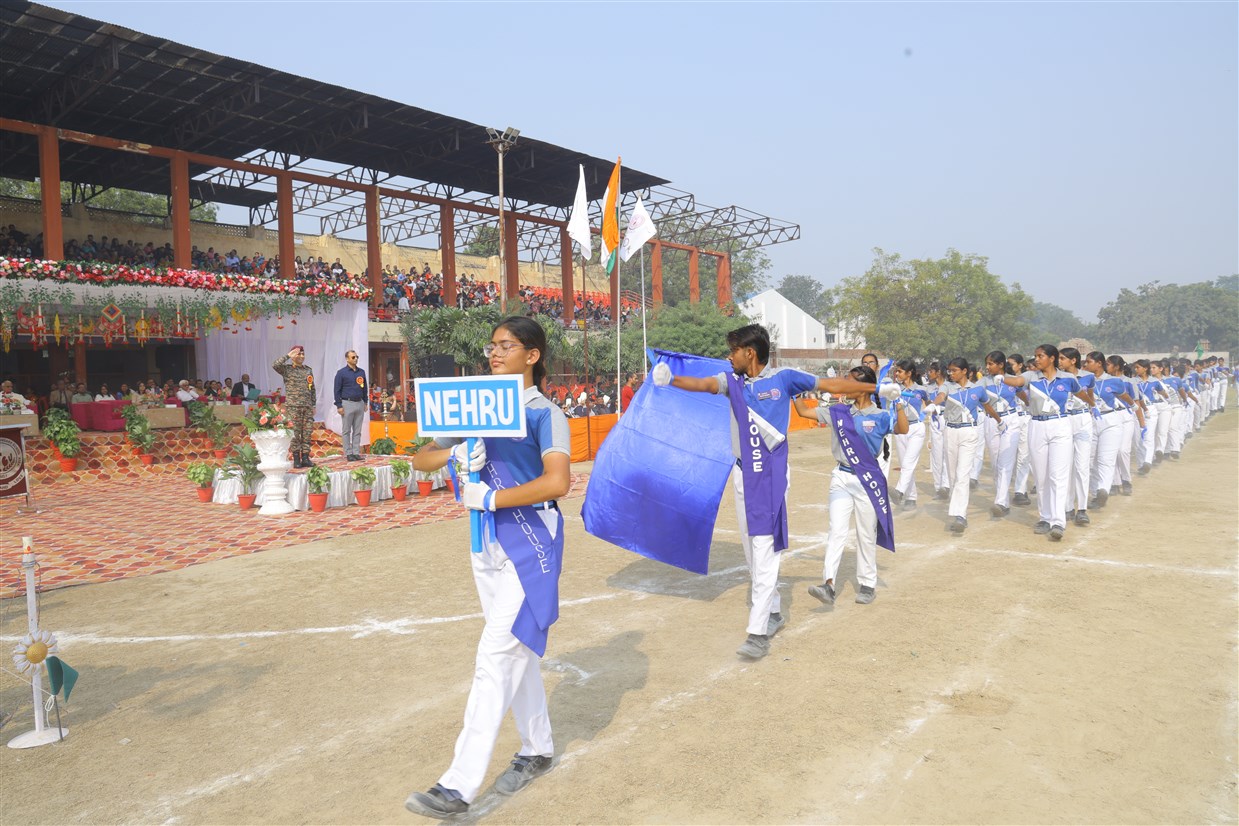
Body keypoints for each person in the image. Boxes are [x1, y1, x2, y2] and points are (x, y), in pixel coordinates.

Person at [404, 317, 571, 820]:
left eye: (506, 346)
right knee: (517, 650)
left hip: (530, 540)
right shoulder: (476, 406)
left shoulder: (544, 413)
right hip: (486, 542)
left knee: (495, 655)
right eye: (492, 346)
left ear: (532, 355)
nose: (495, 354)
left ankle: (457, 785)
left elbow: (558, 482)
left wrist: (493, 497)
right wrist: (453, 451)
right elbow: (419, 459)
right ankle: (537, 747)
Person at [650, 324, 882, 660]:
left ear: (750, 353)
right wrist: (671, 379)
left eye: (733, 351)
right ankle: (773, 611)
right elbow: (703, 385)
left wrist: (875, 387)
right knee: (751, 550)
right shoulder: (732, 382)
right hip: (743, 474)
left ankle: (757, 633)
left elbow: (830, 385)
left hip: (771, 475)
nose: (729, 357)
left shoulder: (784, 378)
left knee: (764, 548)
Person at [795, 364, 908, 607]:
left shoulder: (880, 416)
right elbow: (803, 411)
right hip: (841, 477)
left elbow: (903, 428)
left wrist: (898, 403)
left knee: (866, 533)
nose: (844, 385)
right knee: (836, 530)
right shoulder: (838, 411)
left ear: (864, 387)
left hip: (867, 481)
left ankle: (867, 583)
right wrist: (796, 388)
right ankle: (828, 584)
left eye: (850, 381)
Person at [1001, 344, 1093, 541]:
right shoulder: (1031, 376)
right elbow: (1016, 381)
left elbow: (1080, 393)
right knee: (1041, 476)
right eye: (1035, 356)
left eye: (1040, 356)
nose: (1036, 359)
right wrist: (1000, 376)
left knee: (1058, 475)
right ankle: (1045, 517)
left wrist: (1092, 404)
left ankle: (1058, 522)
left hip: (1060, 425)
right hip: (1037, 425)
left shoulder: (1068, 378)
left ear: (1052, 358)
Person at [931, 358, 1002, 533]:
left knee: (963, 473)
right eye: (949, 371)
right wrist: (934, 404)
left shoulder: (977, 389)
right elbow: (941, 396)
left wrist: (999, 421)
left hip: (969, 432)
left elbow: (987, 406)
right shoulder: (947, 386)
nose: (951, 374)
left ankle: (960, 515)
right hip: (950, 431)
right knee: (953, 474)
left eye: (954, 370)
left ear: (965, 371)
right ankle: (957, 509)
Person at [978, 351, 1022, 518]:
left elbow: (1023, 395)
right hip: (992, 421)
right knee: (996, 463)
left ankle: (1000, 502)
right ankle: (1003, 502)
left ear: (1001, 364)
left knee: (1005, 461)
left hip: (1011, 420)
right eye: (987, 364)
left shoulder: (1012, 380)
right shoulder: (984, 381)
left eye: (991, 364)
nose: (987, 367)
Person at [1057, 347, 1095, 524]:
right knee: (1065, 465)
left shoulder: (1088, 376)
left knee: (1081, 466)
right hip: (1064, 419)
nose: (1059, 362)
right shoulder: (1057, 377)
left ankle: (1082, 508)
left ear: (1073, 360)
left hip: (1082, 419)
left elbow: (1090, 396)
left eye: (1062, 358)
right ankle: (1067, 507)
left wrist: (1092, 408)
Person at [889, 359, 931, 512]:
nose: (897, 374)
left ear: (909, 373)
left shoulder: (921, 389)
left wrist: (930, 412)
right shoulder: (895, 389)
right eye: (896, 371)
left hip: (916, 429)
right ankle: (911, 497)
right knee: (905, 464)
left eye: (900, 371)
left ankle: (899, 492)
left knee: (908, 462)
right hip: (900, 429)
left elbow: (929, 403)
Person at [273, 346, 317, 468]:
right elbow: (275, 365)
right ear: (293, 356)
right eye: (298, 354)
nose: (302, 356)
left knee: (307, 432)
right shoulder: (287, 369)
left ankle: (306, 457)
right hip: (293, 406)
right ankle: (296, 458)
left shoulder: (308, 370)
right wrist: (288, 355)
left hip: (307, 406)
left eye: (303, 354)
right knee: (295, 433)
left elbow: (312, 388)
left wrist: (313, 404)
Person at [333, 349, 368, 462]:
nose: (356, 359)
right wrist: (339, 405)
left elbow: (365, 388)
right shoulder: (341, 373)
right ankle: (348, 453)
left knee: (357, 430)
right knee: (346, 430)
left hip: (359, 403)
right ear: (347, 359)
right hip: (347, 403)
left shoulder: (361, 372)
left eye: (357, 357)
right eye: (353, 357)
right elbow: (337, 390)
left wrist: (365, 402)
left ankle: (356, 452)